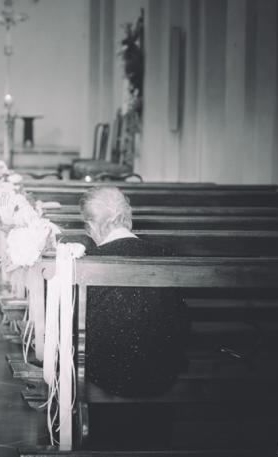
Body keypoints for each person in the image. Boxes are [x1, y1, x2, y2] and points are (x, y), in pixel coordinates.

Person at [78, 186, 189, 449]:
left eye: (87, 225)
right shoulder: (166, 255)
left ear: (95, 225)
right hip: (161, 373)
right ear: (127, 218)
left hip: (105, 374)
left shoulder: (88, 261)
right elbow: (182, 322)